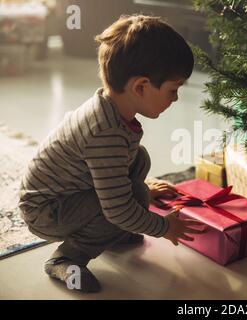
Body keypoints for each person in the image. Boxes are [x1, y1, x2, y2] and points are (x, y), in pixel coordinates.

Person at [18, 15, 204, 293]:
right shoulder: (105, 132)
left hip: (70, 193)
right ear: (140, 87)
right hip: (47, 211)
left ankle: (113, 233)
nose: (175, 99)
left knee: (139, 160)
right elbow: (117, 209)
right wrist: (164, 227)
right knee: (127, 203)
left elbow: (121, 167)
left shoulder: (111, 109)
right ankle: (66, 258)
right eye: (172, 90)